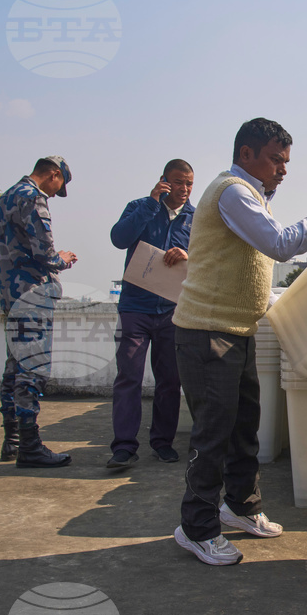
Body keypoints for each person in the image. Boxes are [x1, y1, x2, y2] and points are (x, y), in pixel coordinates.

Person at [171, 117, 307, 565]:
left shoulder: (252, 195)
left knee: (244, 428)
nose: (283, 168)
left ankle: (241, 507)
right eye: (276, 159)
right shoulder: (233, 193)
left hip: (235, 330)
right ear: (246, 155)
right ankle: (196, 529)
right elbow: (280, 245)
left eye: (286, 161)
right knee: (213, 433)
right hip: (206, 333)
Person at [106, 159, 195, 469]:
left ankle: (162, 442)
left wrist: (188, 254)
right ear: (164, 181)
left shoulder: (195, 219)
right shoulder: (139, 206)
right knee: (128, 377)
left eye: (189, 184)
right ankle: (124, 448)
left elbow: (208, 260)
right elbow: (119, 239)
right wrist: (150, 203)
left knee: (170, 380)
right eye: (179, 182)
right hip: (135, 309)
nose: (184, 189)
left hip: (172, 311)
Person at [0, 156, 77, 468]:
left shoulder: (4, 198)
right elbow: (45, 253)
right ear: (53, 175)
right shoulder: (34, 198)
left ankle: (12, 441)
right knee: (32, 370)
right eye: (59, 186)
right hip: (33, 294)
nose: (56, 193)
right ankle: (29, 447)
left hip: (10, 295)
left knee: (14, 366)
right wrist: (64, 259)